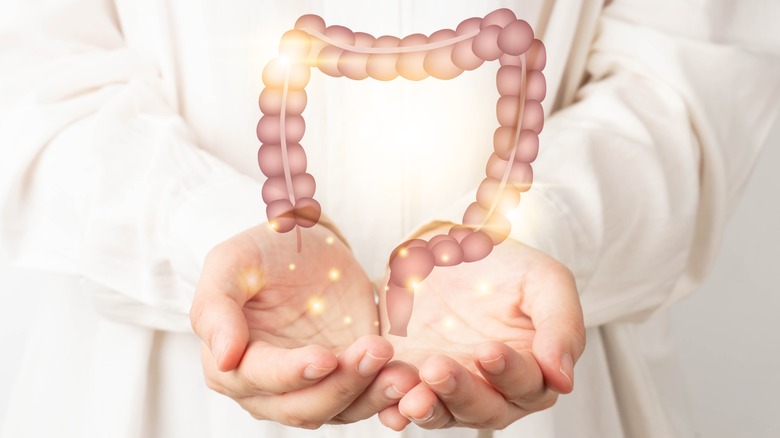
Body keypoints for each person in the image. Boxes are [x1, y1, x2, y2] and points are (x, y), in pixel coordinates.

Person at [0, 0, 778, 437]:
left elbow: (691, 76)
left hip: (542, 374)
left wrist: (536, 230)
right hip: (141, 398)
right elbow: (27, 72)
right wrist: (202, 227)